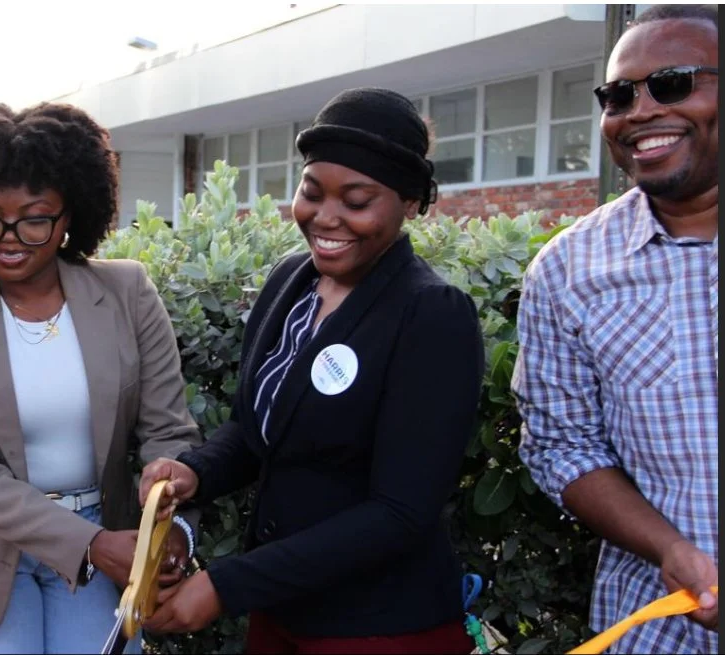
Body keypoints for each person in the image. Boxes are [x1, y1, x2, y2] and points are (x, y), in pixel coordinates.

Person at [139, 88, 485, 653]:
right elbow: (256, 432)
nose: (326, 218)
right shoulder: (291, 282)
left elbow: (400, 513)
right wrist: (194, 473)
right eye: (312, 192)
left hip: (378, 626)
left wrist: (226, 586)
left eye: (356, 200)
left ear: (411, 204)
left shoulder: (430, 312)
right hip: (284, 612)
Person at [0, 102, 202, 654]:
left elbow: (169, 429)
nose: (9, 237)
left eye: (36, 217)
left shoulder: (128, 293)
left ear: (71, 215)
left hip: (109, 531)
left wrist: (169, 510)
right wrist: (88, 545)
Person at [512, 5, 718, 653]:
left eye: (676, 82)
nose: (641, 110)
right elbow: (560, 445)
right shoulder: (569, 270)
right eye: (619, 94)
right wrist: (673, 547)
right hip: (659, 624)